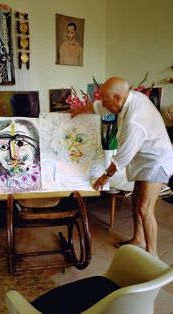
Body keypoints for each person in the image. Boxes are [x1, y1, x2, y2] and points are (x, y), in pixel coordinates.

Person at [70, 77, 173, 257]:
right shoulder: (128, 97)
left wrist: (104, 177)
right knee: (136, 202)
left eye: (107, 101)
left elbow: (122, 157)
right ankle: (138, 239)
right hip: (143, 158)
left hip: (156, 160)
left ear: (117, 98)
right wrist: (79, 110)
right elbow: (99, 107)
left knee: (145, 207)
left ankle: (153, 255)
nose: (105, 105)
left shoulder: (134, 119)